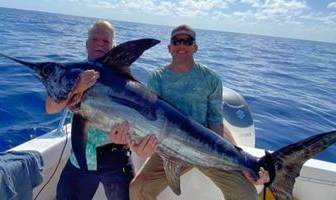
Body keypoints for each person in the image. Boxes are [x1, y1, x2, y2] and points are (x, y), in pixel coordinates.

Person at [129, 25, 269, 200]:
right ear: (169, 47)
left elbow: (216, 122)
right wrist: (138, 145)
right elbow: (150, 118)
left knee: (246, 194)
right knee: (138, 189)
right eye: (176, 41)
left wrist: (239, 164)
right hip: (169, 147)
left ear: (195, 47)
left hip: (207, 147)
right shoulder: (157, 78)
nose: (182, 45)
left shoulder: (211, 79)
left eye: (188, 41)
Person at [47, 20, 156, 200]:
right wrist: (77, 87)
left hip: (116, 154)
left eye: (105, 41)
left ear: (113, 46)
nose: (99, 43)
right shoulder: (73, 73)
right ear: (87, 44)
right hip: (81, 156)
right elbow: (50, 107)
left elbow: (138, 117)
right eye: (95, 39)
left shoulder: (124, 79)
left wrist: (134, 144)